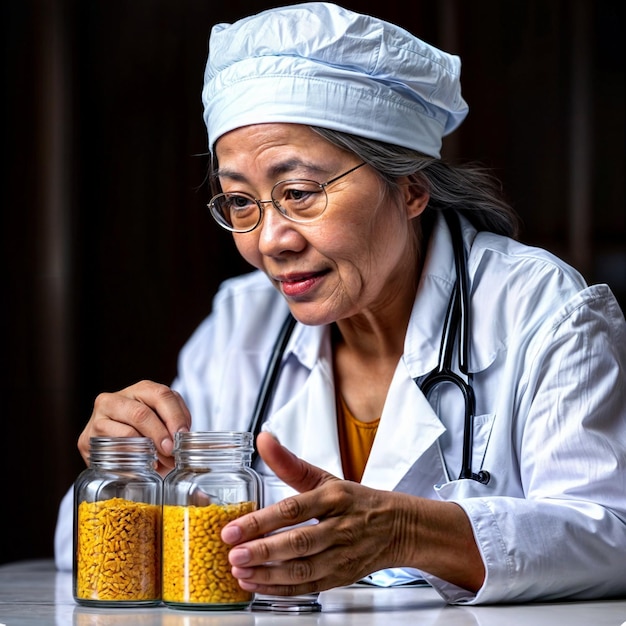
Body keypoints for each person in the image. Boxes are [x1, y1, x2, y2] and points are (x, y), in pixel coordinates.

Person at [54, 2, 626, 605]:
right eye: (241, 203)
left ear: (408, 188)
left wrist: (407, 533)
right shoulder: (240, 322)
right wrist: (130, 469)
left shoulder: (545, 309)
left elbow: (613, 535)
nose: (270, 241)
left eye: (299, 193)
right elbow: (75, 550)